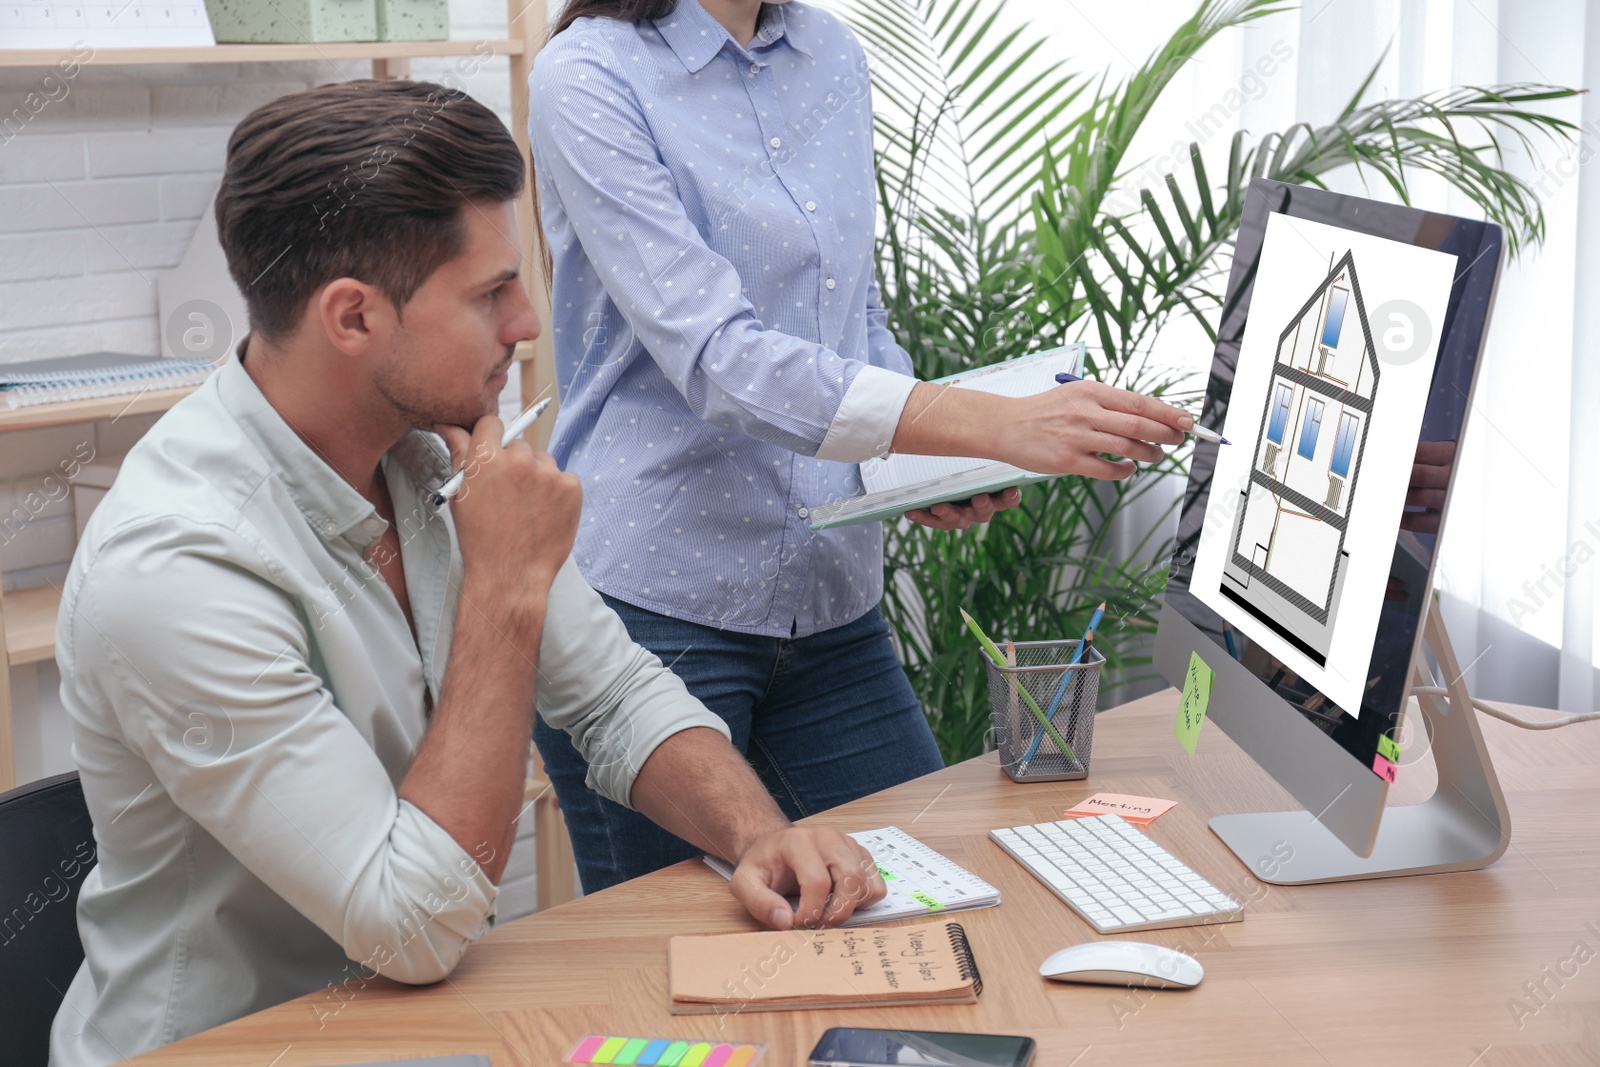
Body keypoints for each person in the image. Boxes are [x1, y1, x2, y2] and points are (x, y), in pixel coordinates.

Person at [48, 79, 883, 1067]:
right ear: (352, 317)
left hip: (424, 1025)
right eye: (491, 293)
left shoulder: (427, 453)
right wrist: (504, 586)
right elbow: (411, 923)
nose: (529, 323)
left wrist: (755, 833)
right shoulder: (174, 569)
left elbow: (614, 699)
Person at [529, 0, 1195, 893]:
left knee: (930, 900)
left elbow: (853, 310)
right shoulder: (590, 75)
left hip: (830, 599)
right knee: (685, 974)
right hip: (653, 616)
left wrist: (916, 468)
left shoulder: (828, 54)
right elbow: (719, 360)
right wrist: (989, 422)